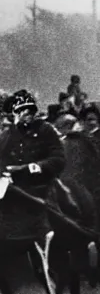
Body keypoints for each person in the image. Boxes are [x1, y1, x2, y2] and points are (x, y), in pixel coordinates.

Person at [0, 89, 65, 242]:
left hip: (41, 187)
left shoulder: (45, 130)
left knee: (47, 223)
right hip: (13, 189)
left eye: (29, 110)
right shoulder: (7, 136)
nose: (27, 114)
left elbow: (59, 160)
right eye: (21, 111)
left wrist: (29, 168)